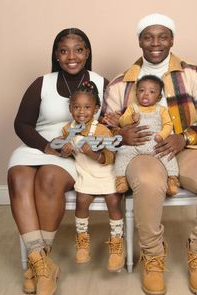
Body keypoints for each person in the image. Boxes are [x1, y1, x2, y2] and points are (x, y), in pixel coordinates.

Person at [102, 13, 197, 295]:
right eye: (148, 37)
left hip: (184, 148)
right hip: (140, 153)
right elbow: (102, 127)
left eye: (162, 36)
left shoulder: (192, 74)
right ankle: (153, 257)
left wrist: (184, 137)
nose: (155, 43)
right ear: (139, 41)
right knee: (147, 182)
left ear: (172, 39)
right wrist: (120, 135)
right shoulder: (121, 83)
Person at [7, 28, 109, 295]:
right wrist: (44, 147)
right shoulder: (42, 82)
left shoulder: (101, 83)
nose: (71, 56)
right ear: (56, 54)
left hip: (71, 149)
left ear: (87, 53)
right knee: (18, 177)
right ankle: (41, 263)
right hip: (37, 145)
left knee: (48, 179)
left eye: (78, 49)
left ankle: (38, 264)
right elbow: (22, 124)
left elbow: (111, 125)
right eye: (64, 51)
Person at [54, 80, 125, 272]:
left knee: (113, 201)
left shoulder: (102, 130)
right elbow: (62, 148)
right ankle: (82, 240)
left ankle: (117, 242)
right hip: (86, 174)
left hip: (105, 173)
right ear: (70, 108)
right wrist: (65, 148)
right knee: (82, 201)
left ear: (96, 109)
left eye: (87, 107)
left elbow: (109, 157)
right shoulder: (68, 130)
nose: (81, 111)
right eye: (76, 107)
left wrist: (92, 152)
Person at [115, 74, 179, 195]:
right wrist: (131, 118)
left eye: (151, 91)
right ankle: (121, 179)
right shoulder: (133, 108)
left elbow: (168, 124)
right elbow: (122, 121)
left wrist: (162, 135)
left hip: (155, 144)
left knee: (169, 156)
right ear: (136, 94)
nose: (146, 94)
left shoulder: (161, 110)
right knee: (122, 153)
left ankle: (172, 180)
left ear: (159, 97)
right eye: (142, 90)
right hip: (134, 144)